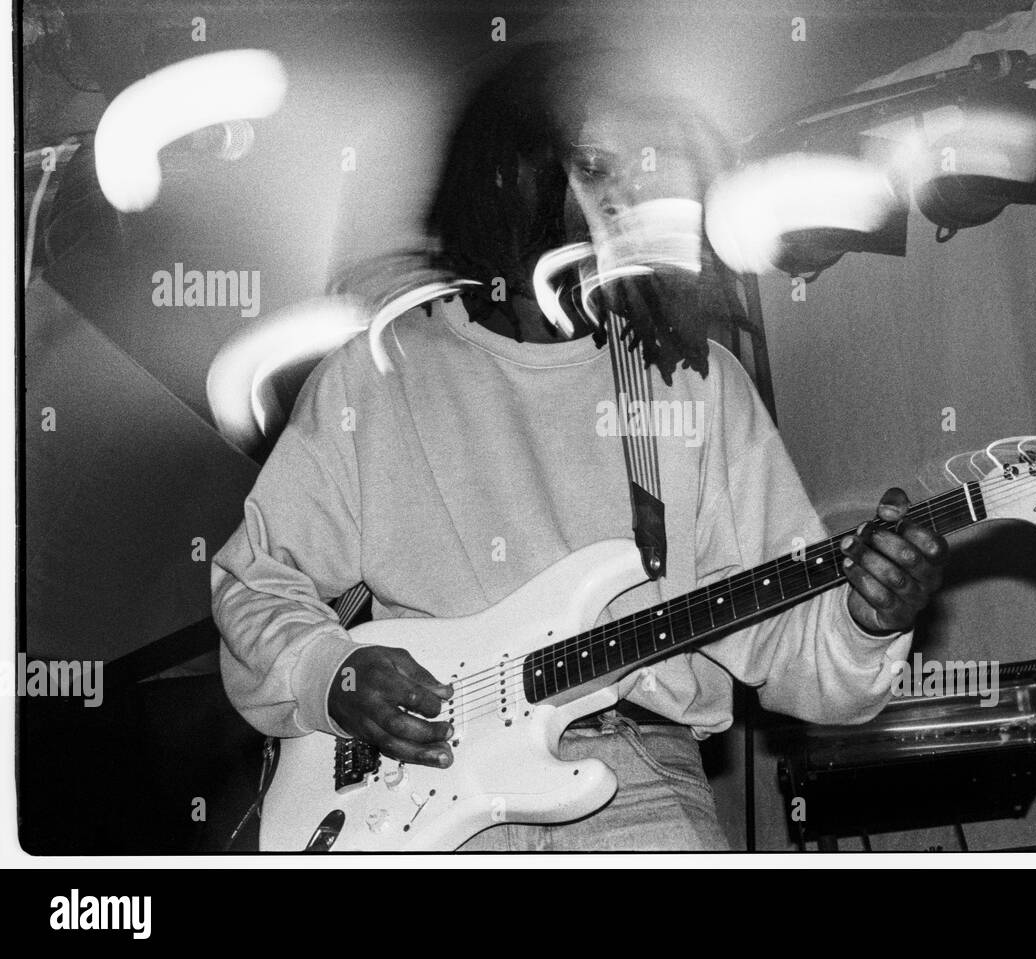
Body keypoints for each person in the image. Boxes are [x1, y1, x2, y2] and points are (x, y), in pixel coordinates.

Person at [211, 46, 946, 851]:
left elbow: (792, 645)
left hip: (637, 776)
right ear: (506, 174)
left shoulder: (694, 383)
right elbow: (257, 576)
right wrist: (330, 673)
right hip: (418, 786)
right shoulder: (376, 376)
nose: (626, 198)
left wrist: (869, 619)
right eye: (594, 167)